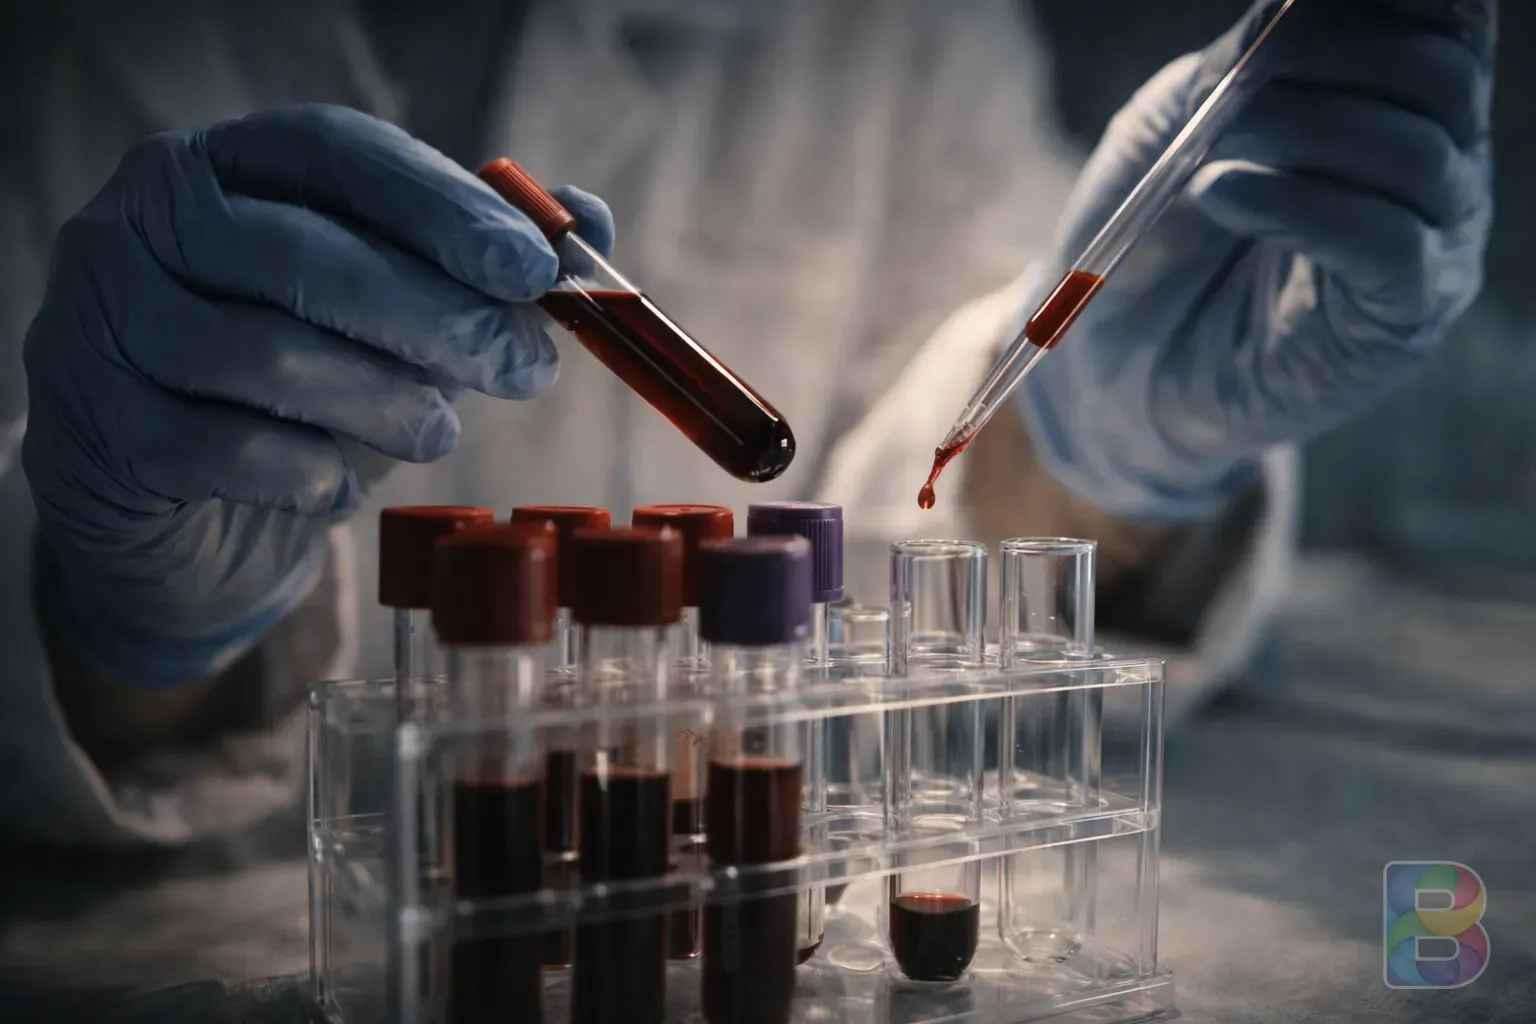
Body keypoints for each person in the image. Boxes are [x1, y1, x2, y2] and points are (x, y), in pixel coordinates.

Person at [0, 0, 1494, 847]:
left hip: (725, 879)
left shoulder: (898, 37)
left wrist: (1100, 452)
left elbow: (912, 579)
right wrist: (120, 623)